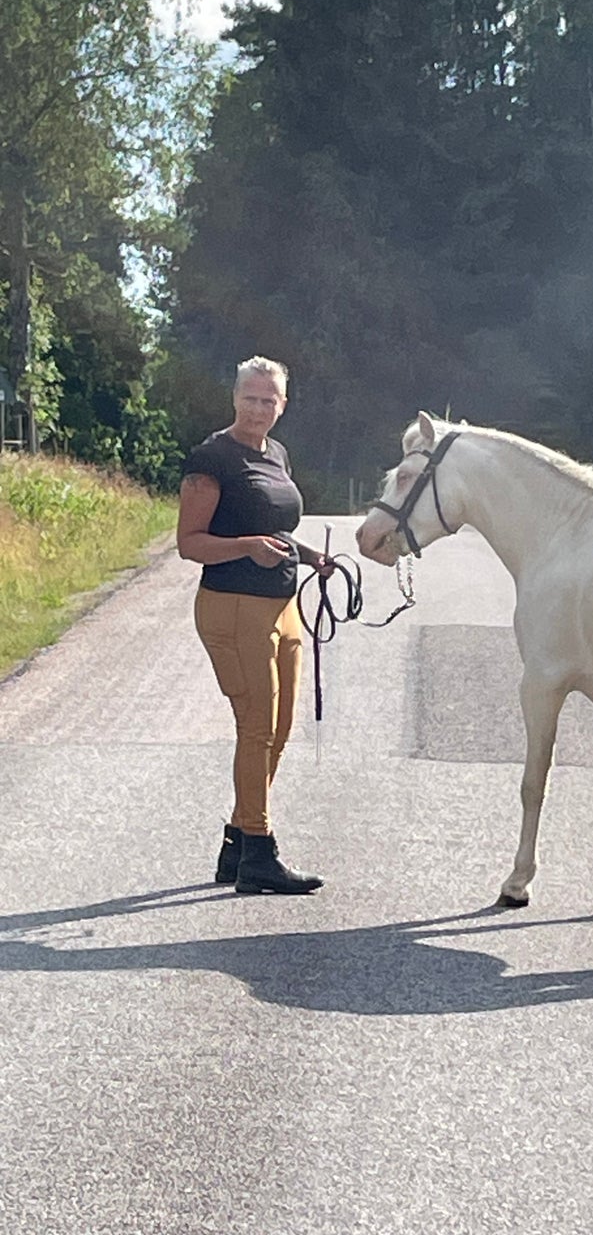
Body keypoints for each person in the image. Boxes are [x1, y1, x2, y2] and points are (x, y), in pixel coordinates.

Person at [177, 356, 330, 894]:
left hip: (281, 605)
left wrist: (310, 555)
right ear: (235, 398)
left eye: (270, 400)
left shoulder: (277, 453)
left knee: (281, 730)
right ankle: (259, 854)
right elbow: (189, 544)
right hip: (232, 606)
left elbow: (273, 527)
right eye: (251, 397)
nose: (260, 408)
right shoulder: (212, 458)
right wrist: (245, 548)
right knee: (256, 729)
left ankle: (239, 845)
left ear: (282, 405)